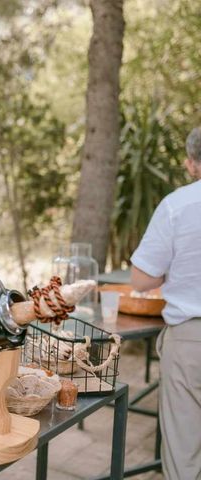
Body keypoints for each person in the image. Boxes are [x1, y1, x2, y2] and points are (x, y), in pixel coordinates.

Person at [130, 126, 201, 480]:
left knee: (184, 455)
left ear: (192, 164)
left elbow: (141, 280)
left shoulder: (178, 205)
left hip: (191, 344)